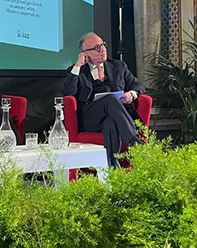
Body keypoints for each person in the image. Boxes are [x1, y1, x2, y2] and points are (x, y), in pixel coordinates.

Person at [60, 32, 145, 167]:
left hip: (115, 117)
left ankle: (112, 166)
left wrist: (131, 94)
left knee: (110, 123)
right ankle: (134, 142)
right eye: (97, 48)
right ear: (85, 54)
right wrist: (78, 65)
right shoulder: (77, 70)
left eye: (103, 45)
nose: (103, 50)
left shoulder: (118, 66)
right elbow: (67, 92)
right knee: (110, 99)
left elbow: (138, 86)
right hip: (91, 118)